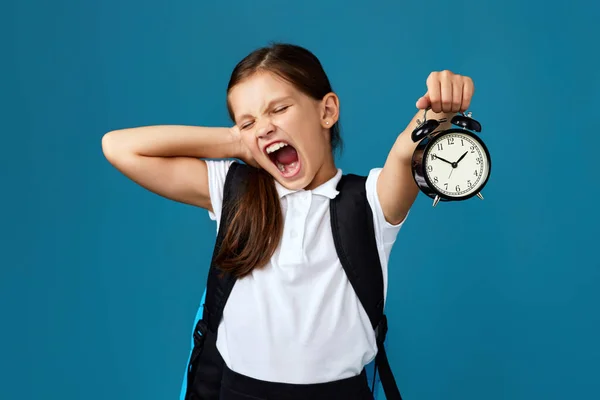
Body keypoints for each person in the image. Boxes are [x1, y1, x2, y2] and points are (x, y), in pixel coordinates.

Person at [101, 43, 475, 400]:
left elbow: (407, 148)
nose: (263, 127)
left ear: (327, 111)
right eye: (247, 121)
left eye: (278, 109)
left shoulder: (370, 202)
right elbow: (119, 147)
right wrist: (235, 142)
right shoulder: (232, 189)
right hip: (239, 393)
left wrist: (440, 111)